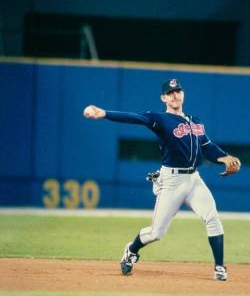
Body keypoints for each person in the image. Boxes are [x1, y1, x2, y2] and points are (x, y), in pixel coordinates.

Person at [83, 78, 241, 281]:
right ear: (163, 98)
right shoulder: (161, 119)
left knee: (212, 218)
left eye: (178, 91)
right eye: (170, 93)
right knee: (157, 233)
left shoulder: (196, 121)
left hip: (194, 179)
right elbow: (136, 118)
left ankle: (219, 268)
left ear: (183, 94)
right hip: (172, 181)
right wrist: (104, 114)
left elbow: (207, 147)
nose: (175, 95)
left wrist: (223, 157)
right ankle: (131, 250)